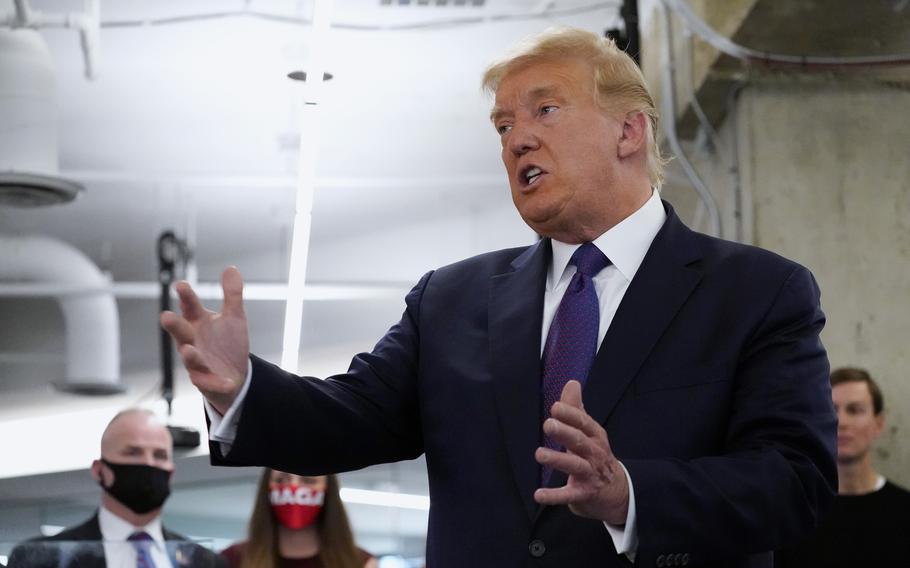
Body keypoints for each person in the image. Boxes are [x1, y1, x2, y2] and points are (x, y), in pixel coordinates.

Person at [160, 27, 837, 567]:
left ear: (630, 131)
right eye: (503, 126)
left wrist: (629, 492)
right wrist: (240, 389)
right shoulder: (451, 300)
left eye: (544, 109)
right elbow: (351, 416)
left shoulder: (756, 293)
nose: (518, 139)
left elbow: (794, 483)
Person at [8, 408, 224, 568]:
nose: (148, 464)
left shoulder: (204, 561)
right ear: (100, 470)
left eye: (159, 455)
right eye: (132, 453)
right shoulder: (42, 558)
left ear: (171, 472)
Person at [775, 367, 910, 567]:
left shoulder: (905, 511)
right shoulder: (794, 514)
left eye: (855, 410)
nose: (841, 421)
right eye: (831, 409)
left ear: (878, 424)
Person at [220, 469, 376, 568]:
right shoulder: (232, 559)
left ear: (328, 491)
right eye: (282, 480)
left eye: (308, 481)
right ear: (266, 490)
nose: (295, 487)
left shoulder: (360, 562)